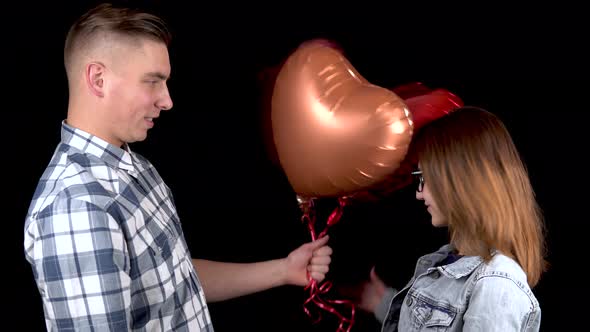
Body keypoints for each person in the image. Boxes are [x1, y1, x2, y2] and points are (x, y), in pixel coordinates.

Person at [23, 3, 332, 331]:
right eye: (152, 82)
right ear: (98, 79)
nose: (167, 100)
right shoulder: (76, 206)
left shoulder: (135, 167)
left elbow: (174, 278)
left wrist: (283, 270)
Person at [351, 106, 547, 331]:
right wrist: (383, 303)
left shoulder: (495, 284)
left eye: (424, 178)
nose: (418, 193)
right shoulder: (450, 260)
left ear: (460, 180)